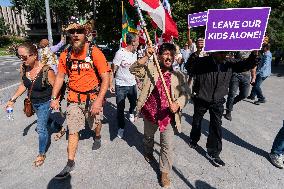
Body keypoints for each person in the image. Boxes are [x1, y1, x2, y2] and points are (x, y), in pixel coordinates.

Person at [50, 17, 110, 179]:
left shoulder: (94, 52)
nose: (75, 34)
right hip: (74, 99)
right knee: (73, 130)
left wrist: (98, 100)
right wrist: (54, 97)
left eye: (79, 31)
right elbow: (60, 78)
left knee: (95, 124)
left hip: (93, 98)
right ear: (69, 35)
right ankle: (70, 162)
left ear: (85, 33)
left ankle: (97, 136)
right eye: (72, 32)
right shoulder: (65, 55)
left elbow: (106, 78)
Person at [130, 43, 190, 188]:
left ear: (174, 58)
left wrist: (178, 104)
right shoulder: (151, 69)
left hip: (167, 117)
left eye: (171, 54)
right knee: (148, 137)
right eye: (165, 54)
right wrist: (146, 56)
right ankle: (148, 151)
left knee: (167, 146)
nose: (168, 57)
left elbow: (186, 94)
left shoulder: (180, 75)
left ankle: (164, 172)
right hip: (150, 113)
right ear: (159, 56)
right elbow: (133, 69)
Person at [188, 50, 259, 167]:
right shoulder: (202, 62)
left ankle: (213, 153)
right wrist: (197, 52)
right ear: (213, 52)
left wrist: (255, 54)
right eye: (221, 53)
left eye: (225, 53)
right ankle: (194, 139)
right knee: (197, 121)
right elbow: (190, 67)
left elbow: (246, 65)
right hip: (201, 98)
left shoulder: (229, 63)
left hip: (218, 100)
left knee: (216, 125)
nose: (224, 55)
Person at [6, 42, 56, 167]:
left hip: (45, 102)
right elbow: (24, 85)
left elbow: (56, 86)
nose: (22, 60)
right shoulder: (24, 68)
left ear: (34, 55)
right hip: (33, 102)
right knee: (43, 120)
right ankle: (60, 128)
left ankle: (41, 153)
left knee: (40, 128)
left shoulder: (46, 70)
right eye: (20, 57)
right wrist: (13, 99)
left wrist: (55, 100)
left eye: (24, 57)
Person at [112, 32, 139, 139]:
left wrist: (138, 81)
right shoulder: (120, 53)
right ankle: (121, 127)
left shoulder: (134, 54)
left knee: (134, 103)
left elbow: (134, 70)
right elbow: (113, 69)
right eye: (137, 41)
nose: (138, 43)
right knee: (120, 108)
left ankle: (131, 112)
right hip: (121, 85)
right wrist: (110, 83)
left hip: (132, 84)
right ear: (132, 42)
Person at [224, 51, 257, 121]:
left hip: (246, 75)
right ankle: (228, 111)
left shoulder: (252, 51)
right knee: (232, 94)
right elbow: (230, 59)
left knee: (244, 95)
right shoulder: (237, 48)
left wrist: (253, 77)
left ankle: (231, 103)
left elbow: (253, 66)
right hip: (236, 74)